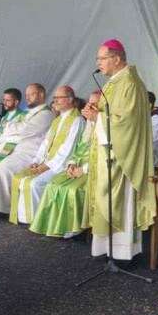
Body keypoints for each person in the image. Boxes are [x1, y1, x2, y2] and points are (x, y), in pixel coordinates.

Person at [81, 39, 156, 261]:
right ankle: (106, 249)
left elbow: (127, 123)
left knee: (120, 202)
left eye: (102, 58)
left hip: (122, 156)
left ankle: (123, 253)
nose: (98, 63)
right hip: (108, 153)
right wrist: (96, 111)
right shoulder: (114, 82)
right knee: (106, 199)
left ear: (116, 58)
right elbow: (112, 113)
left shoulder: (130, 83)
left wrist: (98, 117)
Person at [0, 84, 54, 215]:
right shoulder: (30, 112)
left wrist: (9, 126)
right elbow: (17, 129)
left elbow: (25, 130)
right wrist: (13, 128)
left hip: (30, 152)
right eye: (26, 95)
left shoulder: (46, 114)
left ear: (41, 95)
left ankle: (3, 207)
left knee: (3, 168)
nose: (27, 98)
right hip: (17, 149)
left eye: (31, 94)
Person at [29, 91, 101, 238]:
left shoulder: (81, 121)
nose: (89, 106)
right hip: (74, 165)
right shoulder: (87, 122)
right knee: (53, 185)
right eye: (89, 103)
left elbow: (102, 155)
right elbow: (79, 147)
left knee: (71, 190)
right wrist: (72, 163)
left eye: (94, 104)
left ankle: (74, 228)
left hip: (94, 168)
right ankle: (50, 223)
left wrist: (83, 169)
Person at [9, 86, 83, 225]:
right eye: (54, 98)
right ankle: (27, 219)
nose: (55, 101)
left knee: (35, 184)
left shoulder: (77, 120)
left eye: (59, 98)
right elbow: (45, 143)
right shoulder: (57, 120)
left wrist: (47, 166)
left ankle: (40, 222)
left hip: (62, 165)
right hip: (47, 162)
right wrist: (37, 161)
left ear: (70, 99)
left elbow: (68, 149)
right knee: (19, 178)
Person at [148, 91, 158, 167]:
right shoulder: (147, 117)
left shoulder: (157, 120)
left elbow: (151, 143)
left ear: (149, 105)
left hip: (154, 163)